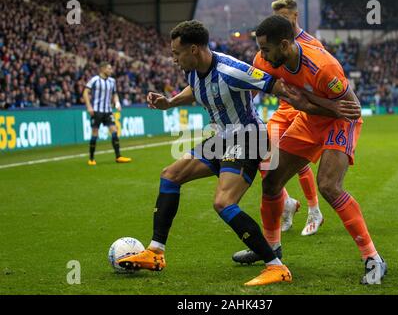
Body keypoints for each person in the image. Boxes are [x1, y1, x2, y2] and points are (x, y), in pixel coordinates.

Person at [116, 20, 359, 286]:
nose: (174, 59)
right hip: (221, 138)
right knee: (170, 175)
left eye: (177, 53)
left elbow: (277, 86)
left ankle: (276, 266)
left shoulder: (232, 70)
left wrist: (324, 109)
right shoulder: (193, 70)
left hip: (247, 139)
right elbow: (195, 90)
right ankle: (155, 253)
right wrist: (170, 102)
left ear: (194, 49)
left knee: (223, 202)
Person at [234, 15, 387, 285]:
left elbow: (350, 109)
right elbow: (252, 91)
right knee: (271, 182)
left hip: (340, 123)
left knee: (329, 185)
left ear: (284, 45)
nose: (261, 56)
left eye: (266, 49)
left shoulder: (324, 67)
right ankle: (272, 252)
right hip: (308, 121)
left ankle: (373, 258)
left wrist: (307, 104)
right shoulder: (266, 60)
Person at [271, 0, 325, 235]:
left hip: (303, 108)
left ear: (295, 16)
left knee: (297, 160)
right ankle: (287, 204)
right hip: (283, 107)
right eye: (276, 19)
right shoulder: (273, 43)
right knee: (265, 155)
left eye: (282, 18)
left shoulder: (312, 44)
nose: (279, 24)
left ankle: (314, 210)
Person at [83, 62, 131, 165]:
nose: (111, 70)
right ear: (103, 69)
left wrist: (117, 103)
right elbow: (85, 92)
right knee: (95, 132)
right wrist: (89, 106)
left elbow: (115, 94)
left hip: (108, 110)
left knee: (114, 130)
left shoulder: (112, 81)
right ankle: (91, 159)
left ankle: (118, 156)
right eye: (109, 69)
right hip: (96, 110)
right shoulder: (95, 80)